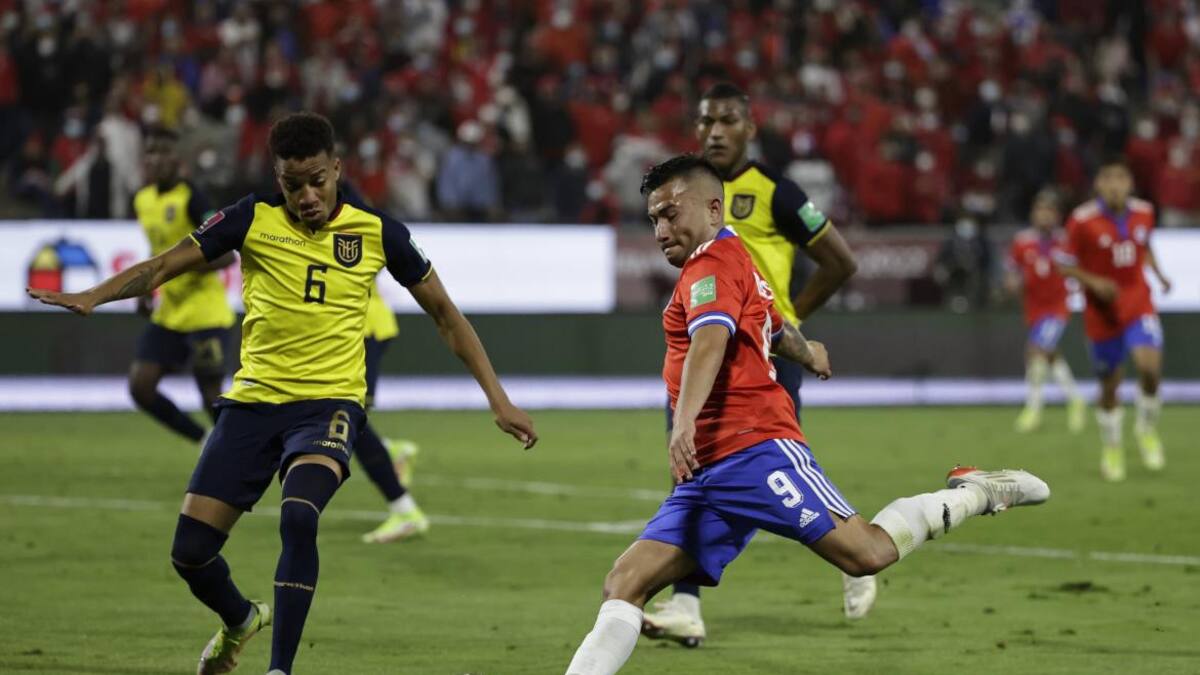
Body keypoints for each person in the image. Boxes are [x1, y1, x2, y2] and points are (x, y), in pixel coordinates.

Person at [28, 112, 537, 675]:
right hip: (251, 405)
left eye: (317, 180)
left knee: (299, 516)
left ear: (337, 169)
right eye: (293, 185)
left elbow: (445, 314)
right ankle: (242, 619)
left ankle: (279, 670)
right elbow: (165, 265)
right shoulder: (250, 218)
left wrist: (499, 398)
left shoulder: (378, 231)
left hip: (329, 405)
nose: (307, 196)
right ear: (278, 177)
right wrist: (93, 297)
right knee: (190, 554)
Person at [563, 155, 1049, 675]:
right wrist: (808, 351)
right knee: (626, 583)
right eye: (654, 218)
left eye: (670, 213)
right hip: (707, 475)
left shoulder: (711, 266)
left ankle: (975, 492)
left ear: (712, 207)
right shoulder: (735, 258)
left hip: (755, 451)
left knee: (865, 554)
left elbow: (710, 339)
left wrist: (682, 421)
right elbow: (771, 325)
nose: (661, 229)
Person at [644, 82, 861, 644]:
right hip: (705, 339)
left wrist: (792, 319)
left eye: (727, 120)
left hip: (765, 347)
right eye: (705, 120)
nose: (714, 130)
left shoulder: (777, 192)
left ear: (750, 127)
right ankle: (685, 604)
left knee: (771, 466)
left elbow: (839, 262)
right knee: (690, 468)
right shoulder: (683, 193)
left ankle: (852, 549)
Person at [1057, 158, 1171, 482]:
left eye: (1121, 177)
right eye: (1108, 178)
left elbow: (1144, 245)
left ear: (1130, 183)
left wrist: (1160, 275)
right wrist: (1093, 282)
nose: (1115, 184)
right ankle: (1112, 446)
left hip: (1138, 302)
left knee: (1150, 370)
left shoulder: (1145, 212)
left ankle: (1146, 430)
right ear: (1098, 185)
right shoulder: (1081, 221)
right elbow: (1065, 264)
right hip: (1101, 313)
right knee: (1110, 386)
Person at [129, 126, 235, 445]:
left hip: (205, 313)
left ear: (178, 160)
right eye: (151, 152)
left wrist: (180, 265)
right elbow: (156, 249)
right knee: (141, 387)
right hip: (170, 312)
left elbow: (226, 255)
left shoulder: (193, 198)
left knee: (210, 396)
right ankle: (203, 440)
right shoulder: (143, 200)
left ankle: (240, 453)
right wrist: (146, 290)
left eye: (163, 152)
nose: (156, 159)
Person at [1005, 189, 1087, 434]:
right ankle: (1075, 399)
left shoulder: (1065, 242)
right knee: (1049, 354)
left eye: (1048, 212)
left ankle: (1034, 408)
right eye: (1039, 211)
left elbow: (1079, 269)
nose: (1044, 216)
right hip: (1033, 307)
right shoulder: (1022, 241)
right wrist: (1012, 282)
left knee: (1035, 350)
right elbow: (1012, 269)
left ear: (1057, 216)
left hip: (1057, 306)